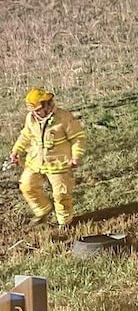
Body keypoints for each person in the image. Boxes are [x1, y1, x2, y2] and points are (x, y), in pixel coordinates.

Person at [8, 88, 86, 228]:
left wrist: (76, 156)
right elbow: (25, 136)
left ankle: (65, 222)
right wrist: (16, 151)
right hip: (35, 162)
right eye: (41, 107)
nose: (48, 106)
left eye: (49, 103)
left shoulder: (64, 117)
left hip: (59, 164)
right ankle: (43, 209)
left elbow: (77, 138)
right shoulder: (30, 119)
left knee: (61, 195)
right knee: (27, 186)